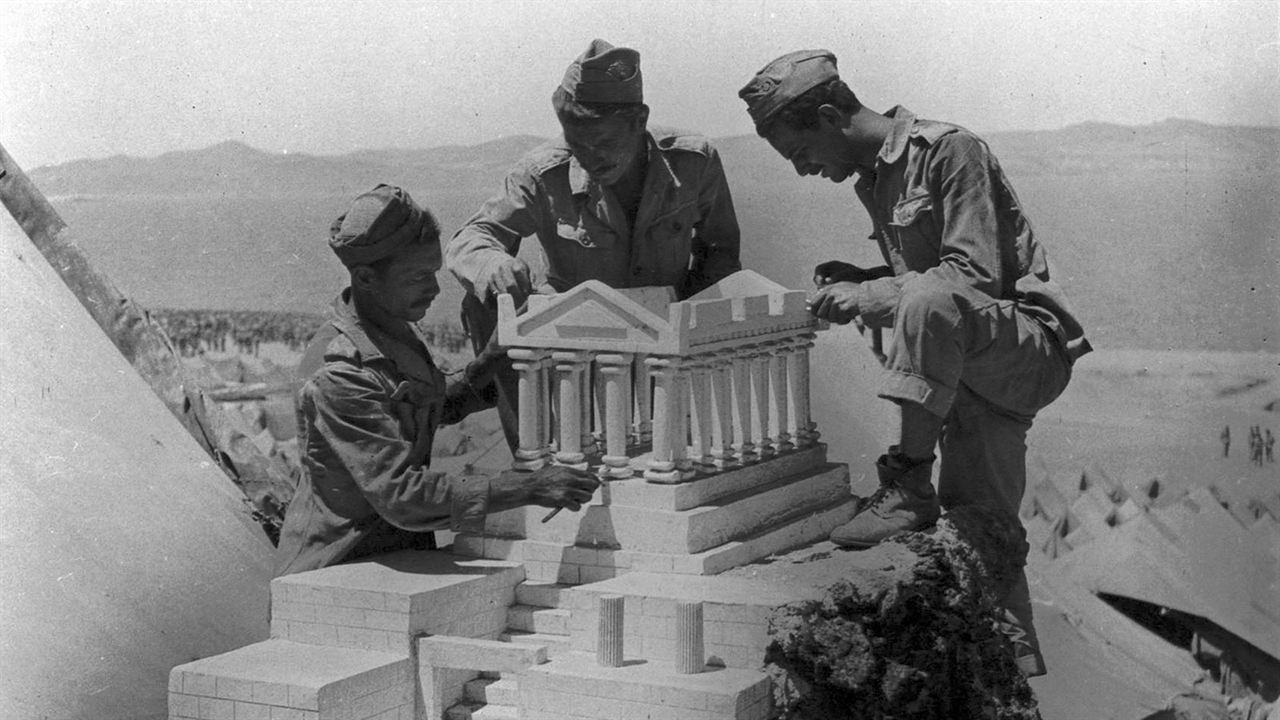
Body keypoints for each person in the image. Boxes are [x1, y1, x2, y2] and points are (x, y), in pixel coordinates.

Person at [739, 50, 1092, 677]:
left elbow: (971, 279)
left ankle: (905, 481)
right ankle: (1009, 672)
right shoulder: (874, 179)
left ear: (827, 115)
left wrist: (873, 295)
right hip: (971, 371)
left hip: (1024, 352)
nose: (802, 172)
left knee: (927, 300)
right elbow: (931, 284)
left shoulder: (948, 151)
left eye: (800, 153)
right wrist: (867, 277)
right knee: (981, 538)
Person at [275, 185, 600, 576]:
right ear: (364, 278)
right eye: (417, 277)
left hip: (397, 556)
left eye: (433, 273)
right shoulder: (341, 372)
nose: (432, 289)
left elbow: (432, 405)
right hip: (337, 564)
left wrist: (490, 359)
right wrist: (526, 488)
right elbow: (402, 496)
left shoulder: (392, 334)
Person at [446, 38, 742, 449]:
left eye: (603, 143)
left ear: (639, 121)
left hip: (663, 337)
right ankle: (529, 455)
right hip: (574, 340)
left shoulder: (694, 162)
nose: (588, 157)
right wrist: (491, 264)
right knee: (485, 300)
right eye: (576, 143)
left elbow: (721, 253)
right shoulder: (542, 172)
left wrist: (686, 337)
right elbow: (472, 237)